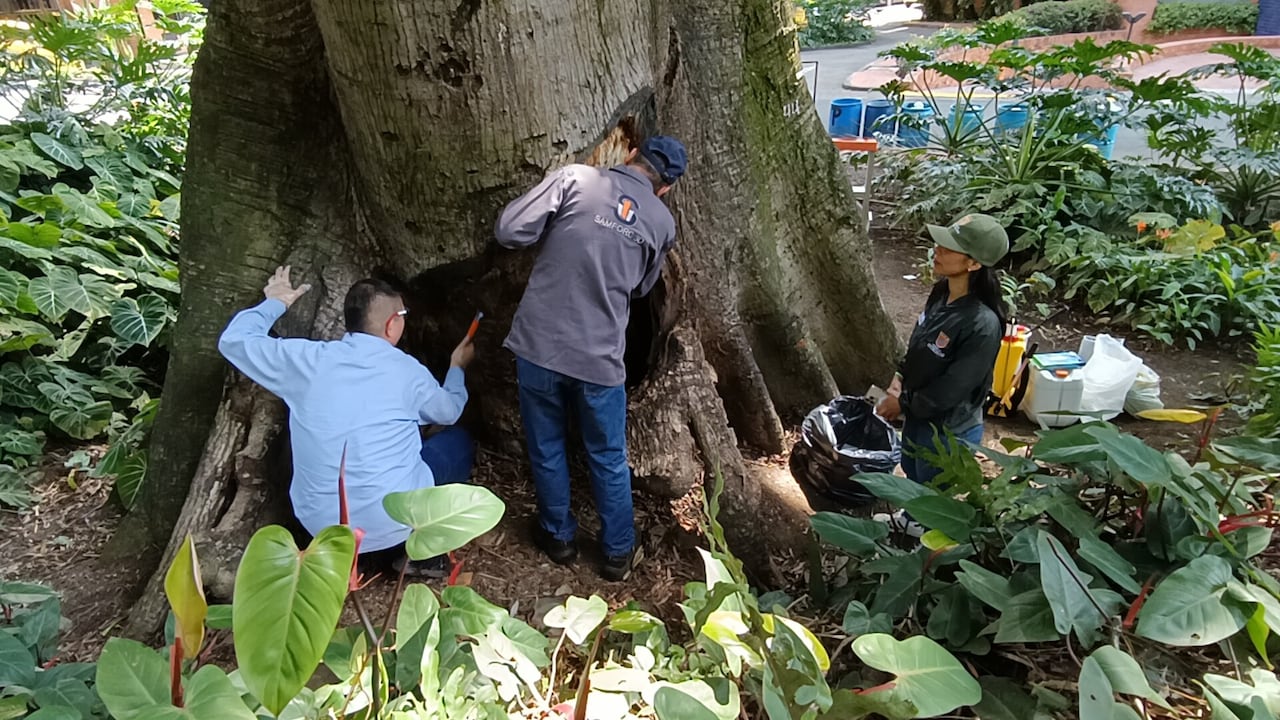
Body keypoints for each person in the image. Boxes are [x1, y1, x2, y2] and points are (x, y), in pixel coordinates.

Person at [495, 135, 687, 580]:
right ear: (665, 187)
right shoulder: (661, 221)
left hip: (540, 346)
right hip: (600, 361)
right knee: (607, 455)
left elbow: (509, 230)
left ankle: (558, 536)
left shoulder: (574, 179)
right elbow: (642, 287)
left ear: (630, 154)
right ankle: (617, 552)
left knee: (546, 444)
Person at [218, 267, 476, 577]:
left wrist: (276, 301)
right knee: (457, 442)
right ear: (392, 323)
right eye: (403, 315)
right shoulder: (407, 371)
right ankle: (417, 554)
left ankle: (353, 557)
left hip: (322, 525)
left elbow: (234, 340)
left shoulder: (306, 361)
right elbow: (449, 411)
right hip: (395, 523)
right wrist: (457, 367)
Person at [874, 213, 1009, 535]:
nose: (938, 250)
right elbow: (920, 343)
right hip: (919, 412)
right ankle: (909, 522)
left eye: (949, 248)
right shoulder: (941, 293)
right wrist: (900, 376)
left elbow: (954, 387)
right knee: (912, 469)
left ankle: (926, 544)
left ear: (973, 264)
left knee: (934, 487)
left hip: (949, 427)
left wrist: (903, 404)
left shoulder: (982, 324)